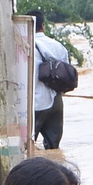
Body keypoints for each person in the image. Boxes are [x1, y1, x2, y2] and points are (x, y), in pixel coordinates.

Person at [32, 10, 70, 151]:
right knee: (54, 150)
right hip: (56, 102)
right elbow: (67, 73)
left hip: (34, 104)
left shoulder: (23, 46)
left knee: (26, 147)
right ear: (43, 26)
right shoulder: (58, 46)